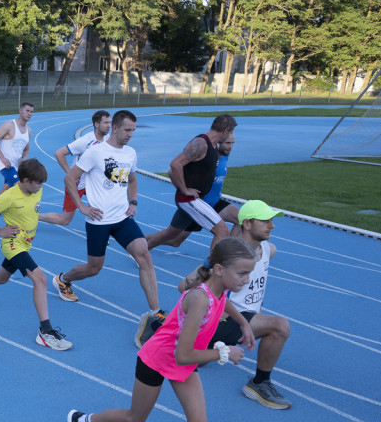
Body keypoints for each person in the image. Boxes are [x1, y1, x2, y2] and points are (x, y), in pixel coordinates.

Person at [66, 237, 258, 422]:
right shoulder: (199, 299)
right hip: (157, 360)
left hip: (182, 364)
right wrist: (224, 354)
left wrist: (242, 322)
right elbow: (184, 355)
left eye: (248, 273)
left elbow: (224, 302)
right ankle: (82, 421)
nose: (247, 279)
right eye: (242, 273)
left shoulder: (219, 291)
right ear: (218, 269)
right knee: (136, 419)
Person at [141, 200, 293, 409]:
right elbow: (183, 286)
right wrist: (209, 277)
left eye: (272, 220)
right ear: (247, 224)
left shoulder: (268, 249)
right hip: (223, 319)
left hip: (241, 319)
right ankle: (260, 383)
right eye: (265, 220)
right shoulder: (229, 255)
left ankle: (159, 327)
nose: (272, 225)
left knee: (200, 359)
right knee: (280, 325)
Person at [52, 110, 166, 337]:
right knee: (93, 269)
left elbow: (132, 179)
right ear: (114, 127)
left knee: (143, 254)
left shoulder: (131, 153)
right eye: (127, 130)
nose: (131, 135)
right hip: (98, 221)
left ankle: (156, 311)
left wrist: (133, 201)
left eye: (133, 130)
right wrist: (82, 206)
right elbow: (69, 178)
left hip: (122, 218)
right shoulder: (95, 152)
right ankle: (63, 279)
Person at [0, 158, 73, 351]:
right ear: (26, 180)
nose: (41, 187)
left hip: (27, 244)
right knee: (40, 280)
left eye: (42, 183)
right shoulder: (9, 197)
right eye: (38, 183)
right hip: (14, 245)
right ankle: (45, 332)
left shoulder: (36, 189)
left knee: (1, 278)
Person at [146, 133, 239, 250]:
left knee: (240, 219)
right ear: (218, 143)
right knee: (175, 240)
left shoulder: (224, 156)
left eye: (233, 143)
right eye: (227, 143)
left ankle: (229, 252)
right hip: (198, 206)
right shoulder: (204, 158)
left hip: (215, 203)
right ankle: (142, 241)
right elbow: (171, 172)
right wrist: (184, 190)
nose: (230, 146)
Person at [165, 114, 238, 253]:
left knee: (173, 238)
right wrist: (184, 189)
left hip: (204, 201)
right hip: (192, 200)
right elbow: (174, 165)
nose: (230, 140)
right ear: (225, 130)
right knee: (221, 232)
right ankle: (211, 269)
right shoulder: (201, 143)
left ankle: (141, 247)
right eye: (230, 133)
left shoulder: (216, 148)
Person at [42, 110, 110, 226]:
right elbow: (59, 153)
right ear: (96, 124)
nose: (109, 126)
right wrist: (70, 173)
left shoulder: (108, 138)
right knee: (65, 220)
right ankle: (35, 217)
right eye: (105, 123)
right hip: (78, 184)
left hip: (94, 183)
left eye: (109, 122)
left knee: (100, 207)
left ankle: (98, 232)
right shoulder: (84, 141)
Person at [0, 102, 34, 189]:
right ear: (20, 111)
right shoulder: (9, 125)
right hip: (6, 165)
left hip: (17, 166)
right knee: (20, 187)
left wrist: (24, 159)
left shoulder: (29, 130)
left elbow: (26, 150)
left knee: (6, 189)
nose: (29, 114)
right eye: (27, 110)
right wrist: (3, 158)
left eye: (31, 112)